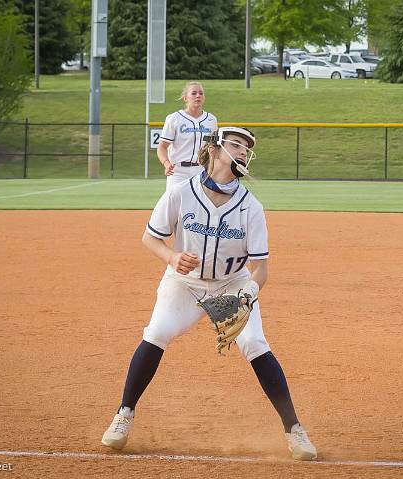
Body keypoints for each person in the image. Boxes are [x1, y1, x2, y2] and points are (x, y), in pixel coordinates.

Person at [101, 126, 318, 462]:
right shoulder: (181, 192)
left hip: (231, 286)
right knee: (157, 332)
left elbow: (261, 268)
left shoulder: (251, 207)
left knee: (255, 344)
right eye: (237, 145)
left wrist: (247, 296)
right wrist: (172, 257)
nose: (243, 152)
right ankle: (123, 415)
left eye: (247, 148)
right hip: (184, 284)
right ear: (216, 150)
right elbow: (150, 238)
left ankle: (294, 430)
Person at [157, 82, 218, 190]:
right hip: (178, 172)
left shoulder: (211, 120)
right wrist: (166, 164)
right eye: (193, 93)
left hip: (201, 170)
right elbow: (162, 147)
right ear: (185, 98)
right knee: (174, 205)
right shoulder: (174, 118)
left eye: (201, 93)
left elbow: (214, 147)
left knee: (200, 205)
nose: (198, 96)